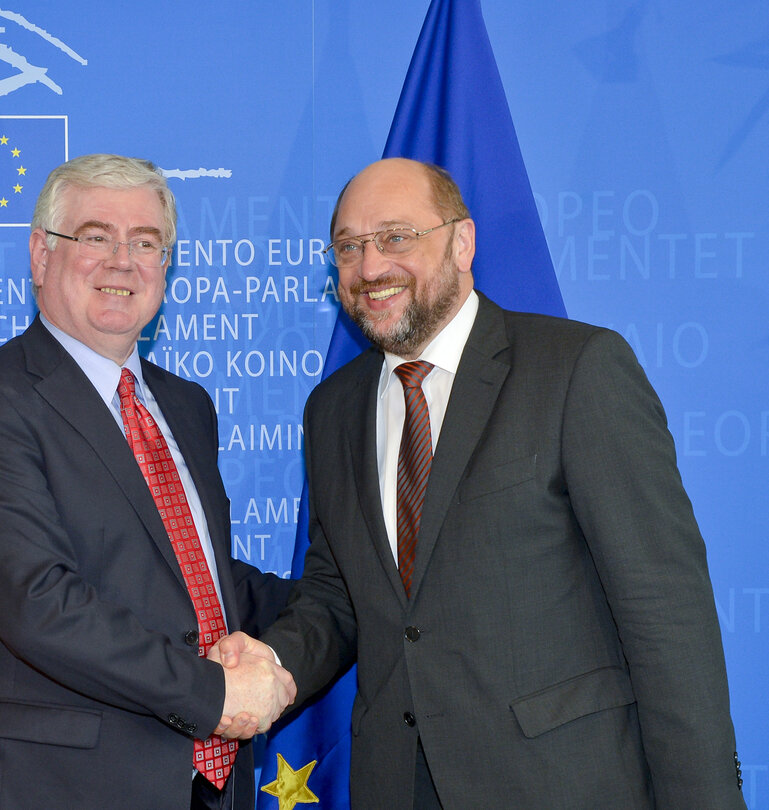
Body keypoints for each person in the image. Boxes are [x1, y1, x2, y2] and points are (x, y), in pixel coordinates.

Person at [215, 158, 744, 808]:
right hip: (396, 785)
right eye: (348, 247)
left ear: (460, 242)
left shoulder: (574, 370)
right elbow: (337, 597)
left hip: (559, 783)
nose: (369, 267)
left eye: (395, 237)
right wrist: (274, 668)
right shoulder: (331, 410)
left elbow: (663, 610)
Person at [0, 153, 295, 810]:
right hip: (44, 787)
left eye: (146, 243)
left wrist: (347, 609)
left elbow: (196, 580)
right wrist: (217, 695)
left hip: (203, 786)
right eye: (95, 238)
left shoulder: (186, 406)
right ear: (40, 256)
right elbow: (37, 602)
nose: (123, 261)